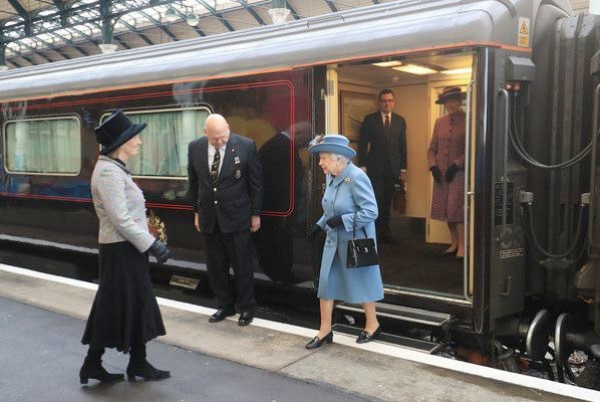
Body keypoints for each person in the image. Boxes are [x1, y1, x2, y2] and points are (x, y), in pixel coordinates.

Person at [80, 109, 171, 384]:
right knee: (117, 303)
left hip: (127, 248)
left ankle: (134, 361)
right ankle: (98, 363)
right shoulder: (108, 173)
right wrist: (152, 244)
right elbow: (120, 218)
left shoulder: (115, 168)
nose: (139, 141)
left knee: (131, 302)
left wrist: (147, 240)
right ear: (121, 143)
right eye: (135, 137)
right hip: (120, 249)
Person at [306, 134, 384, 349]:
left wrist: (344, 220)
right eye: (320, 158)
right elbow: (331, 210)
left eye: (323, 158)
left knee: (362, 283)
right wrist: (319, 226)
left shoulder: (357, 177)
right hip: (333, 242)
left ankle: (372, 324)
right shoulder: (332, 176)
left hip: (354, 242)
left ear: (337, 158)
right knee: (326, 283)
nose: (320, 163)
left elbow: (371, 211)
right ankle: (324, 330)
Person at [187, 114, 263, 326]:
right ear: (206, 133)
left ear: (228, 128)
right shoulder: (195, 147)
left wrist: (256, 214)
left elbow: (256, 182)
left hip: (238, 216)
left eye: (223, 136)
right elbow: (193, 182)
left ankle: (246, 307)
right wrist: (196, 211)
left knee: (242, 265)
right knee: (216, 266)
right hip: (209, 217)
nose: (220, 141)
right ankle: (224, 305)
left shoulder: (246, 146)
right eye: (215, 138)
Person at [358, 89, 407, 244]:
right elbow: (362, 144)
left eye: (390, 100)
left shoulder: (400, 120)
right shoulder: (370, 120)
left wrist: (403, 168)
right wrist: (362, 166)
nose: (387, 103)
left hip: (393, 169)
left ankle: (385, 233)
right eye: (384, 100)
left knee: (387, 202)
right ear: (379, 102)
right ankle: (373, 233)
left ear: (394, 102)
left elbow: (403, 146)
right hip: (374, 169)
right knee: (375, 201)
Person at [427, 86, 466, 259]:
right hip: (441, 174)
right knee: (445, 209)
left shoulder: (468, 120)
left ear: (460, 101)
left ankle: (463, 247)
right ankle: (454, 243)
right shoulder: (439, 122)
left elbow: (472, 148)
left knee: (455, 209)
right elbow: (431, 149)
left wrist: (457, 165)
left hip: (458, 173)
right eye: (448, 102)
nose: (451, 104)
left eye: (454, 101)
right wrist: (433, 166)